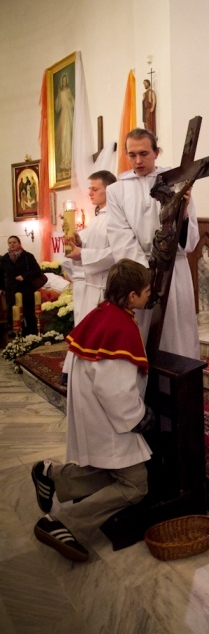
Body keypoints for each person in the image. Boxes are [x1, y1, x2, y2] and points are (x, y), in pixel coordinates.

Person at [30, 259, 154, 562]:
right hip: (110, 419)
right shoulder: (120, 328)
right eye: (147, 290)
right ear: (132, 296)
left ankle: (51, 475)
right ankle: (61, 524)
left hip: (94, 413)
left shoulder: (102, 313)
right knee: (135, 485)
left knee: (107, 468)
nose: (150, 294)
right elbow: (115, 389)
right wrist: (139, 417)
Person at [106, 128, 200, 358]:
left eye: (144, 153)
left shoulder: (176, 181)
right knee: (143, 337)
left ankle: (179, 378)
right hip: (140, 278)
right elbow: (120, 235)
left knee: (177, 337)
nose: (138, 161)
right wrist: (145, 274)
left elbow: (190, 238)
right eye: (132, 155)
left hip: (174, 271)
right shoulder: (116, 190)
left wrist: (183, 214)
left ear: (157, 152)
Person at [62, 170, 117, 325]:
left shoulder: (115, 217)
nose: (90, 193)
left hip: (105, 286)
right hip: (91, 285)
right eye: (90, 189)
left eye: (95, 189)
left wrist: (83, 254)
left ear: (109, 190)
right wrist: (80, 244)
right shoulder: (97, 219)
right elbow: (95, 246)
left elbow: (117, 252)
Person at [0, 235, 43, 335]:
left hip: (26, 289)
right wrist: (2, 288)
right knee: (15, 314)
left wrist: (24, 276)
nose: (12, 244)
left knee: (29, 313)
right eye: (10, 243)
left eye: (14, 242)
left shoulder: (28, 256)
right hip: (12, 291)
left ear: (19, 243)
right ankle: (18, 336)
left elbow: (37, 271)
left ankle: (32, 335)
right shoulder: (5, 258)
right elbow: (1, 275)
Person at [55, 73, 75, 174]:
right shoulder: (61, 92)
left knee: (68, 138)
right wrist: (59, 94)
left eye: (65, 80)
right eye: (62, 80)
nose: (64, 82)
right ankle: (64, 160)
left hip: (68, 115)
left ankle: (69, 160)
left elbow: (73, 103)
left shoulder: (68, 91)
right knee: (63, 138)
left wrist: (69, 102)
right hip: (63, 116)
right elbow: (57, 107)